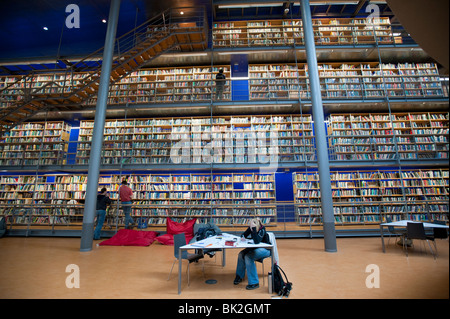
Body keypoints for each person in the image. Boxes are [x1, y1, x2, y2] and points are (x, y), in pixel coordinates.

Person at [234, 218, 271, 290]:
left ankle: (254, 282)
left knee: (248, 257)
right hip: (255, 247)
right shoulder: (252, 228)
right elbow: (244, 234)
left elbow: (257, 241)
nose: (250, 228)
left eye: (252, 227)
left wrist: (253, 229)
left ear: (256, 226)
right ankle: (239, 276)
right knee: (241, 254)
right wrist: (243, 237)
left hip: (266, 249)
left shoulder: (262, 229)